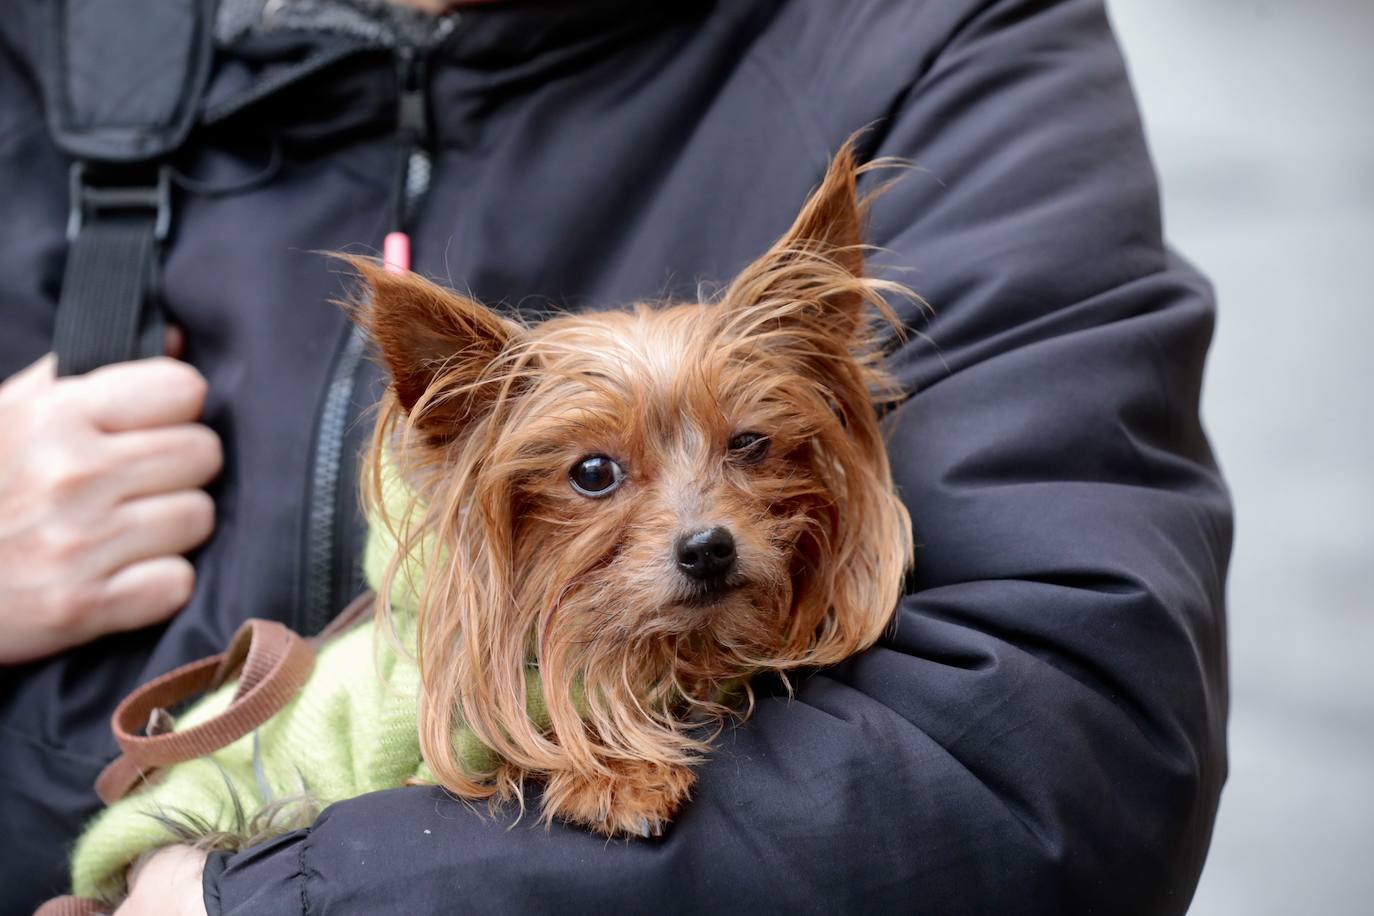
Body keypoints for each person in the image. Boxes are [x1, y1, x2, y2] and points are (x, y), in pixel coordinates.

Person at [0, 1, 1233, 913]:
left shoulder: (945, 44)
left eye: (754, 448)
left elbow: (1064, 755)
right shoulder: (40, 45)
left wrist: (243, 903)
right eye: (598, 474)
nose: (703, 519)